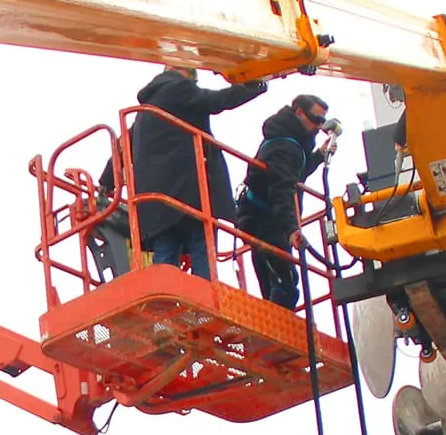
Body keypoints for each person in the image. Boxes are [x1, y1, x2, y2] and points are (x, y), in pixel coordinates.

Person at [105, 64, 268, 279]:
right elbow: (217, 100)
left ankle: (166, 292)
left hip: (156, 202)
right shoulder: (180, 87)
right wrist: (254, 86)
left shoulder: (145, 111)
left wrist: (106, 181)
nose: (194, 82)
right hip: (190, 193)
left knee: (165, 254)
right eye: (193, 75)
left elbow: (123, 146)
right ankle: (203, 294)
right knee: (201, 247)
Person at [235, 93, 338, 309]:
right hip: (264, 222)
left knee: (278, 282)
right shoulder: (285, 147)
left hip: (264, 219)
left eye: (323, 121)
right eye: (316, 119)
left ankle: (270, 319)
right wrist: (291, 229)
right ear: (299, 112)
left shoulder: (288, 142)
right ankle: (272, 323)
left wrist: (319, 155)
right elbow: (282, 189)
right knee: (285, 285)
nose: (319, 126)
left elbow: (292, 174)